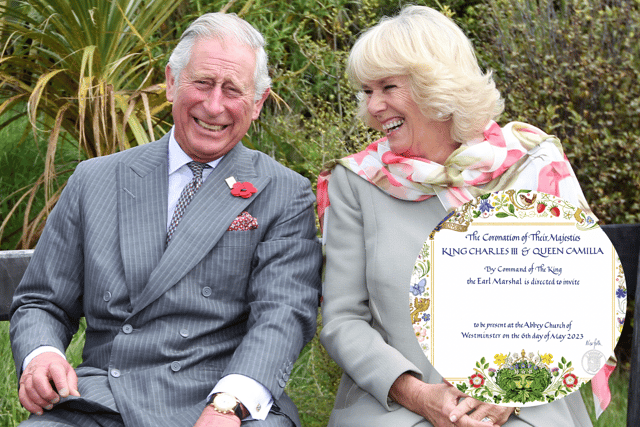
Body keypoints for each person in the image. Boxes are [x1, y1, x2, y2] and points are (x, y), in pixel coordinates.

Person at [10, 12, 322, 427]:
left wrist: (230, 403)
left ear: (258, 102)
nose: (214, 105)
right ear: (172, 82)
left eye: (232, 89)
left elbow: (282, 315)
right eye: (202, 83)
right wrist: (42, 355)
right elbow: (42, 301)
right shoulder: (96, 179)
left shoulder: (284, 192)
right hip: (105, 398)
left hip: (230, 399)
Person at [317, 5, 594, 427]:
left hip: (527, 398)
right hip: (395, 404)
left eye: (388, 87)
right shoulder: (357, 182)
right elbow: (342, 319)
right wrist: (418, 394)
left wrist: (509, 391)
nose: (373, 106)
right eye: (367, 91)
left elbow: (580, 298)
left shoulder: (532, 165)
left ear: (436, 85)